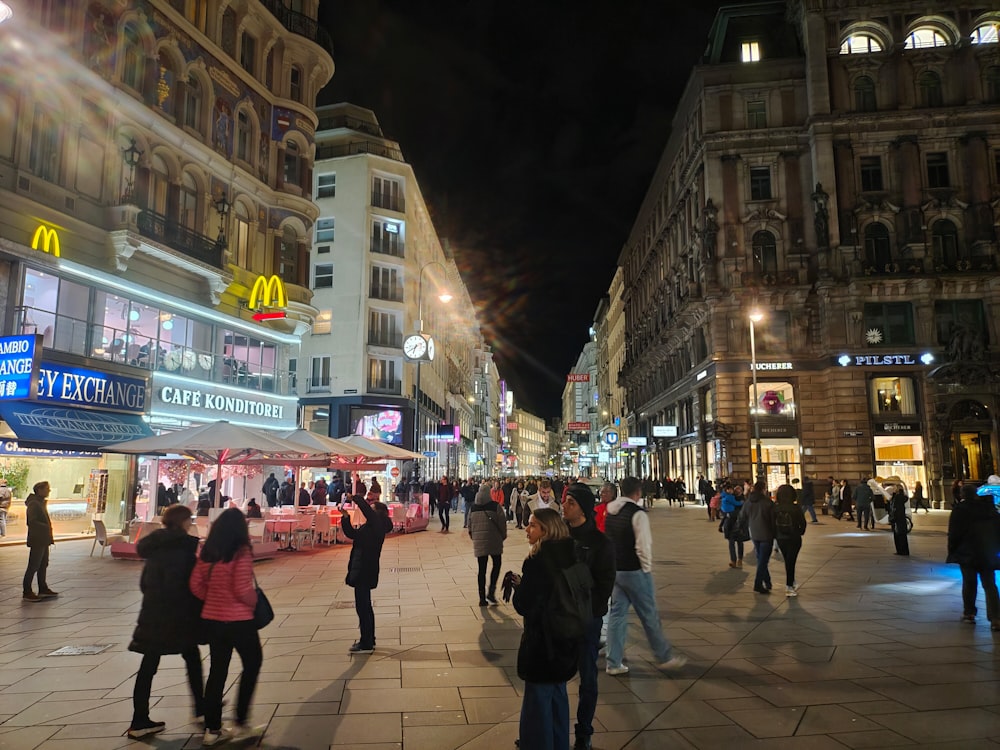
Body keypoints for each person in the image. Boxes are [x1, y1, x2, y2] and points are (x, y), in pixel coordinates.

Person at [127, 504, 205, 739]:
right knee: (192, 658)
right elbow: (191, 587)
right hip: (179, 616)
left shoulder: (154, 549)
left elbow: (144, 584)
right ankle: (201, 708)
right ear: (183, 522)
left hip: (153, 615)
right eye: (189, 520)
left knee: (148, 666)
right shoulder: (184, 550)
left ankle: (139, 719)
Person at [189, 508, 264, 746]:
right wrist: (255, 603)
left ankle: (212, 729)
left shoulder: (208, 552)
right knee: (252, 664)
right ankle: (241, 720)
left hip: (213, 620)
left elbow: (195, 585)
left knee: (217, 671)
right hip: (239, 621)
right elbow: (242, 590)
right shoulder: (241, 553)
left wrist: (212, 599)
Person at [512, 508, 581, 750]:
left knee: (537, 704)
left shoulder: (537, 560)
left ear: (546, 530)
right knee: (558, 698)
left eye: (532, 525)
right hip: (567, 640)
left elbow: (525, 604)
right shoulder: (573, 554)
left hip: (543, 643)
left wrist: (520, 589)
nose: (527, 529)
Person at [604, 476, 686, 675]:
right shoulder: (637, 514)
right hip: (634, 570)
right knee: (649, 614)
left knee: (617, 615)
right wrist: (646, 569)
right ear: (638, 492)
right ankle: (664, 656)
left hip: (616, 570)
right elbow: (643, 545)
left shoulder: (611, 512)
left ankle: (613, 662)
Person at [562, 483, 615, 750]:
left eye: (570, 502)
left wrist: (588, 609)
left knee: (588, 677)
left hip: (586, 620)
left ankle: (584, 731)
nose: (564, 506)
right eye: (565, 501)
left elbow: (605, 584)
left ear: (582, 508)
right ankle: (550, 728)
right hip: (559, 617)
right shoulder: (559, 538)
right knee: (553, 675)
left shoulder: (600, 542)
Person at [340, 495, 393, 653]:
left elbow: (366, 510)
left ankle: (366, 642)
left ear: (378, 513)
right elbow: (352, 534)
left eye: (372, 509)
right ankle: (369, 638)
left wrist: (355, 498)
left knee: (363, 607)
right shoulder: (370, 526)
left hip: (365, 569)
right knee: (364, 606)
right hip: (361, 567)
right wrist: (345, 518)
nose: (369, 510)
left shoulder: (378, 525)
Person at [947, 481, 1000, 631]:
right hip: (987, 552)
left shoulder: (960, 510)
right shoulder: (988, 509)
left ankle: (969, 613)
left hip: (967, 553)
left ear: (963, 494)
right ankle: (996, 617)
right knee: (990, 584)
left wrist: (953, 550)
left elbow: (954, 533)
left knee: (969, 583)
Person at [468, 483, 507, 606]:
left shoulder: (473, 508)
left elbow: (470, 526)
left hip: (480, 542)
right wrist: (503, 536)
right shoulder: (495, 506)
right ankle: (491, 591)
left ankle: (481, 598)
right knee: (497, 564)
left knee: (481, 570)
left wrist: (475, 538)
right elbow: (502, 523)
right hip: (494, 540)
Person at [23, 481, 58, 602]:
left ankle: (43, 588)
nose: (49, 491)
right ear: (39, 490)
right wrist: (45, 527)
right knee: (33, 565)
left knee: (43, 564)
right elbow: (31, 521)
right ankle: (27, 591)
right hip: (38, 539)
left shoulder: (40, 503)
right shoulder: (34, 504)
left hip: (44, 539)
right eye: (47, 489)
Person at [742, 480, 776, 594]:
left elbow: (742, 516)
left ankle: (767, 581)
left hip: (754, 534)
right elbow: (773, 520)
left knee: (761, 558)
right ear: (763, 489)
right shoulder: (767, 502)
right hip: (766, 534)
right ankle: (758, 584)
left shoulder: (748, 501)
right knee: (763, 560)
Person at [773, 484, 807, 597]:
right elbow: (803, 523)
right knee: (791, 561)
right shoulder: (796, 508)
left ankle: (792, 582)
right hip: (794, 538)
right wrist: (800, 532)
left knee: (788, 560)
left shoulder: (775, 508)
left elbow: (772, 523)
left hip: (781, 538)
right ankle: (789, 586)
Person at [720, 482, 744, 568]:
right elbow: (723, 511)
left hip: (738, 523)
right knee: (731, 542)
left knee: (740, 542)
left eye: (739, 490)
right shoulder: (731, 498)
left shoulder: (741, 499)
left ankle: (740, 559)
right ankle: (733, 560)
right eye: (736, 490)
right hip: (730, 523)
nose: (738, 492)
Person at [888, 481, 910, 556]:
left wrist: (893, 518)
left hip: (897, 518)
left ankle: (902, 551)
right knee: (900, 535)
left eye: (894, 488)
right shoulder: (898, 497)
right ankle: (902, 551)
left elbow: (895, 508)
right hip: (900, 518)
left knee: (900, 536)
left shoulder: (898, 497)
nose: (893, 489)